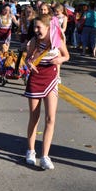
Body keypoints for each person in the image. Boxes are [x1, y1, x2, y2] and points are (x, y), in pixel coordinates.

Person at [24, 14, 70, 170]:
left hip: (51, 79)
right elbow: (27, 59)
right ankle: (30, 151)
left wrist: (59, 60)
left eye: (39, 27)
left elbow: (67, 56)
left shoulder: (57, 40)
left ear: (48, 27)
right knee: (34, 117)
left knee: (50, 118)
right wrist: (29, 64)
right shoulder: (33, 42)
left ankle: (45, 156)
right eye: (34, 27)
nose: (36, 30)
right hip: (35, 79)